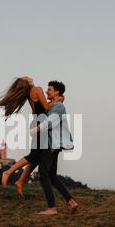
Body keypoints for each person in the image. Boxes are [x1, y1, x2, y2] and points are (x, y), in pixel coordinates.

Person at [0, 77, 63, 196]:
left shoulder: (30, 93)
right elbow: (46, 108)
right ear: (27, 82)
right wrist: (58, 99)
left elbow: (42, 108)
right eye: (25, 78)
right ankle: (8, 172)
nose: (27, 76)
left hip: (37, 122)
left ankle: (20, 181)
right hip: (40, 125)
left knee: (37, 156)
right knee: (34, 155)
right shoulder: (37, 89)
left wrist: (55, 101)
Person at [29, 81, 79, 215]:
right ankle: (71, 201)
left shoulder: (58, 107)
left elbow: (51, 121)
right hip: (53, 145)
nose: (46, 92)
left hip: (51, 145)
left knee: (43, 174)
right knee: (52, 176)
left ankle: (52, 208)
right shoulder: (55, 104)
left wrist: (37, 129)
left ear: (57, 92)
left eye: (49, 90)